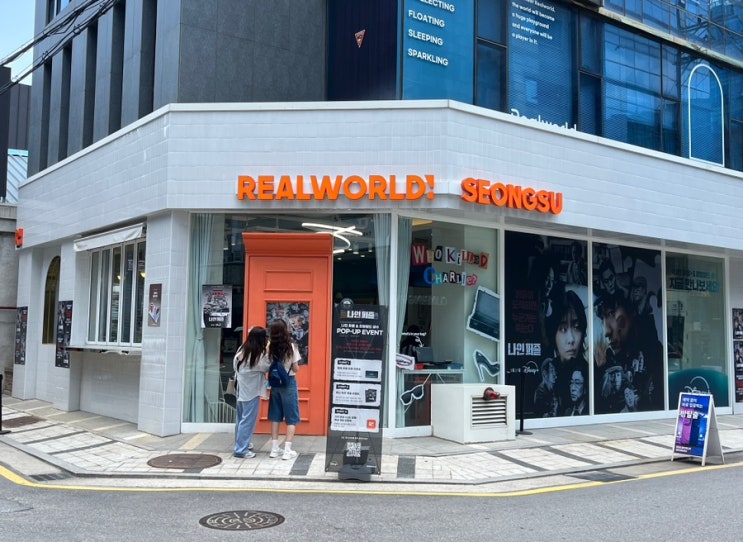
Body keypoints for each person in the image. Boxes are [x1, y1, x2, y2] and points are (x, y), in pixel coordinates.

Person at [594, 292, 664, 413]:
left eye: (611, 314)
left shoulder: (652, 352)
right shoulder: (607, 361)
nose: (606, 331)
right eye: (602, 319)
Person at [543, 289, 589, 412]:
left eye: (577, 327)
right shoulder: (548, 373)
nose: (571, 339)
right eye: (563, 329)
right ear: (553, 333)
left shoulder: (589, 373)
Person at [266, 319, 302, 460]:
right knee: (291, 417)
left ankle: (274, 449)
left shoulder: (270, 346)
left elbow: (268, 364)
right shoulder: (291, 346)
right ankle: (287, 451)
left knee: (276, 416)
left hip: (275, 384)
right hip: (289, 382)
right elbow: (296, 369)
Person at [233, 326, 270, 458]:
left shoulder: (243, 348)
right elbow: (266, 367)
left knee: (240, 419)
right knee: (248, 420)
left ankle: (242, 443)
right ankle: (241, 449)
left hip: (240, 389)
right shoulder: (256, 355)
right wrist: (268, 352)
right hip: (251, 391)